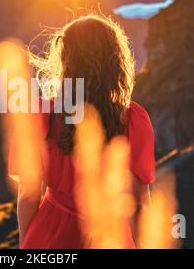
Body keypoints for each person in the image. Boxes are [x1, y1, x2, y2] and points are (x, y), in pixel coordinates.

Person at [9, 14, 155, 248]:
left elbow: (28, 195)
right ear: (115, 61)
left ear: (66, 60)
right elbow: (140, 205)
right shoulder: (133, 121)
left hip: (50, 235)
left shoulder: (40, 114)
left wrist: (28, 243)